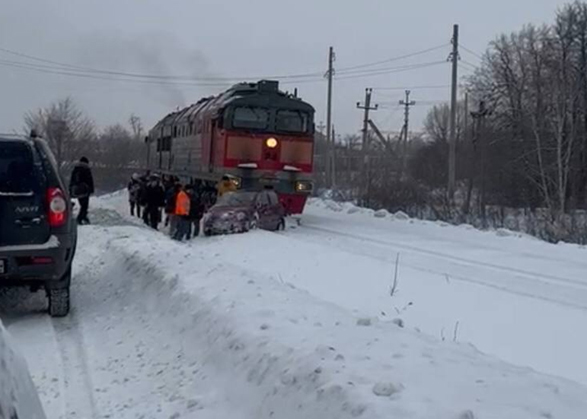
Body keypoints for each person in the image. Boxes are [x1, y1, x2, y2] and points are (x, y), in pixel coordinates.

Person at [69, 157, 95, 225]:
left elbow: (72, 180)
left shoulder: (75, 169)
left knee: (82, 205)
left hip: (77, 191)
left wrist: (71, 190)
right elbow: (89, 180)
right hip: (85, 190)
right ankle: (80, 218)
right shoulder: (86, 169)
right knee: (84, 206)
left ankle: (84, 217)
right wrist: (91, 190)